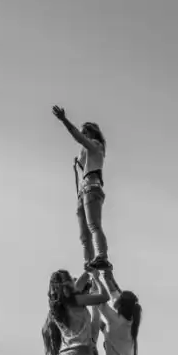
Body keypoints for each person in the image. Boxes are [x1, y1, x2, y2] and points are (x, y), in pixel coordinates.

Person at [51, 105, 111, 271]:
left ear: (92, 134)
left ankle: (102, 256)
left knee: (94, 225)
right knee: (84, 236)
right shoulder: (87, 152)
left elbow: (78, 138)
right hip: (83, 191)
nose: (83, 135)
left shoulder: (95, 145)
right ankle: (89, 267)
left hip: (92, 188)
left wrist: (64, 120)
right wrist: (78, 163)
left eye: (85, 132)